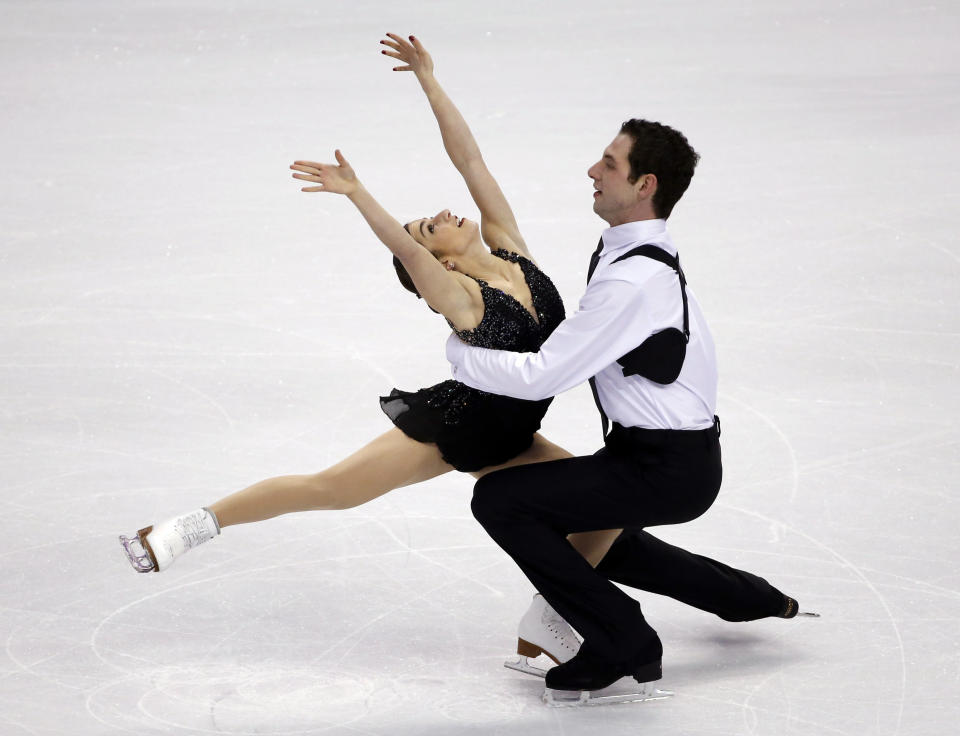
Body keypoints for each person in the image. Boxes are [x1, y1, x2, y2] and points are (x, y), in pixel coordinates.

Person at [118, 34, 618, 667]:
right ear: (438, 259)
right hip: (458, 427)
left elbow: (472, 162)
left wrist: (428, 80)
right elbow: (407, 253)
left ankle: (546, 621)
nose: (437, 214)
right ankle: (185, 529)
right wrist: (358, 194)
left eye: (428, 217)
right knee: (333, 489)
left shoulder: (515, 253)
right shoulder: (463, 298)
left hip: (517, 435)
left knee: (610, 508)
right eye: (427, 226)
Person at [446, 118, 808, 700]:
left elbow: (548, 375)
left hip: (666, 467)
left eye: (610, 164)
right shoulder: (638, 256)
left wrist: (460, 354)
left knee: (502, 501)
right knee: (610, 541)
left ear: (646, 185)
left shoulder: (634, 279)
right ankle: (751, 598)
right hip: (654, 455)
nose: (593, 171)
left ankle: (622, 639)